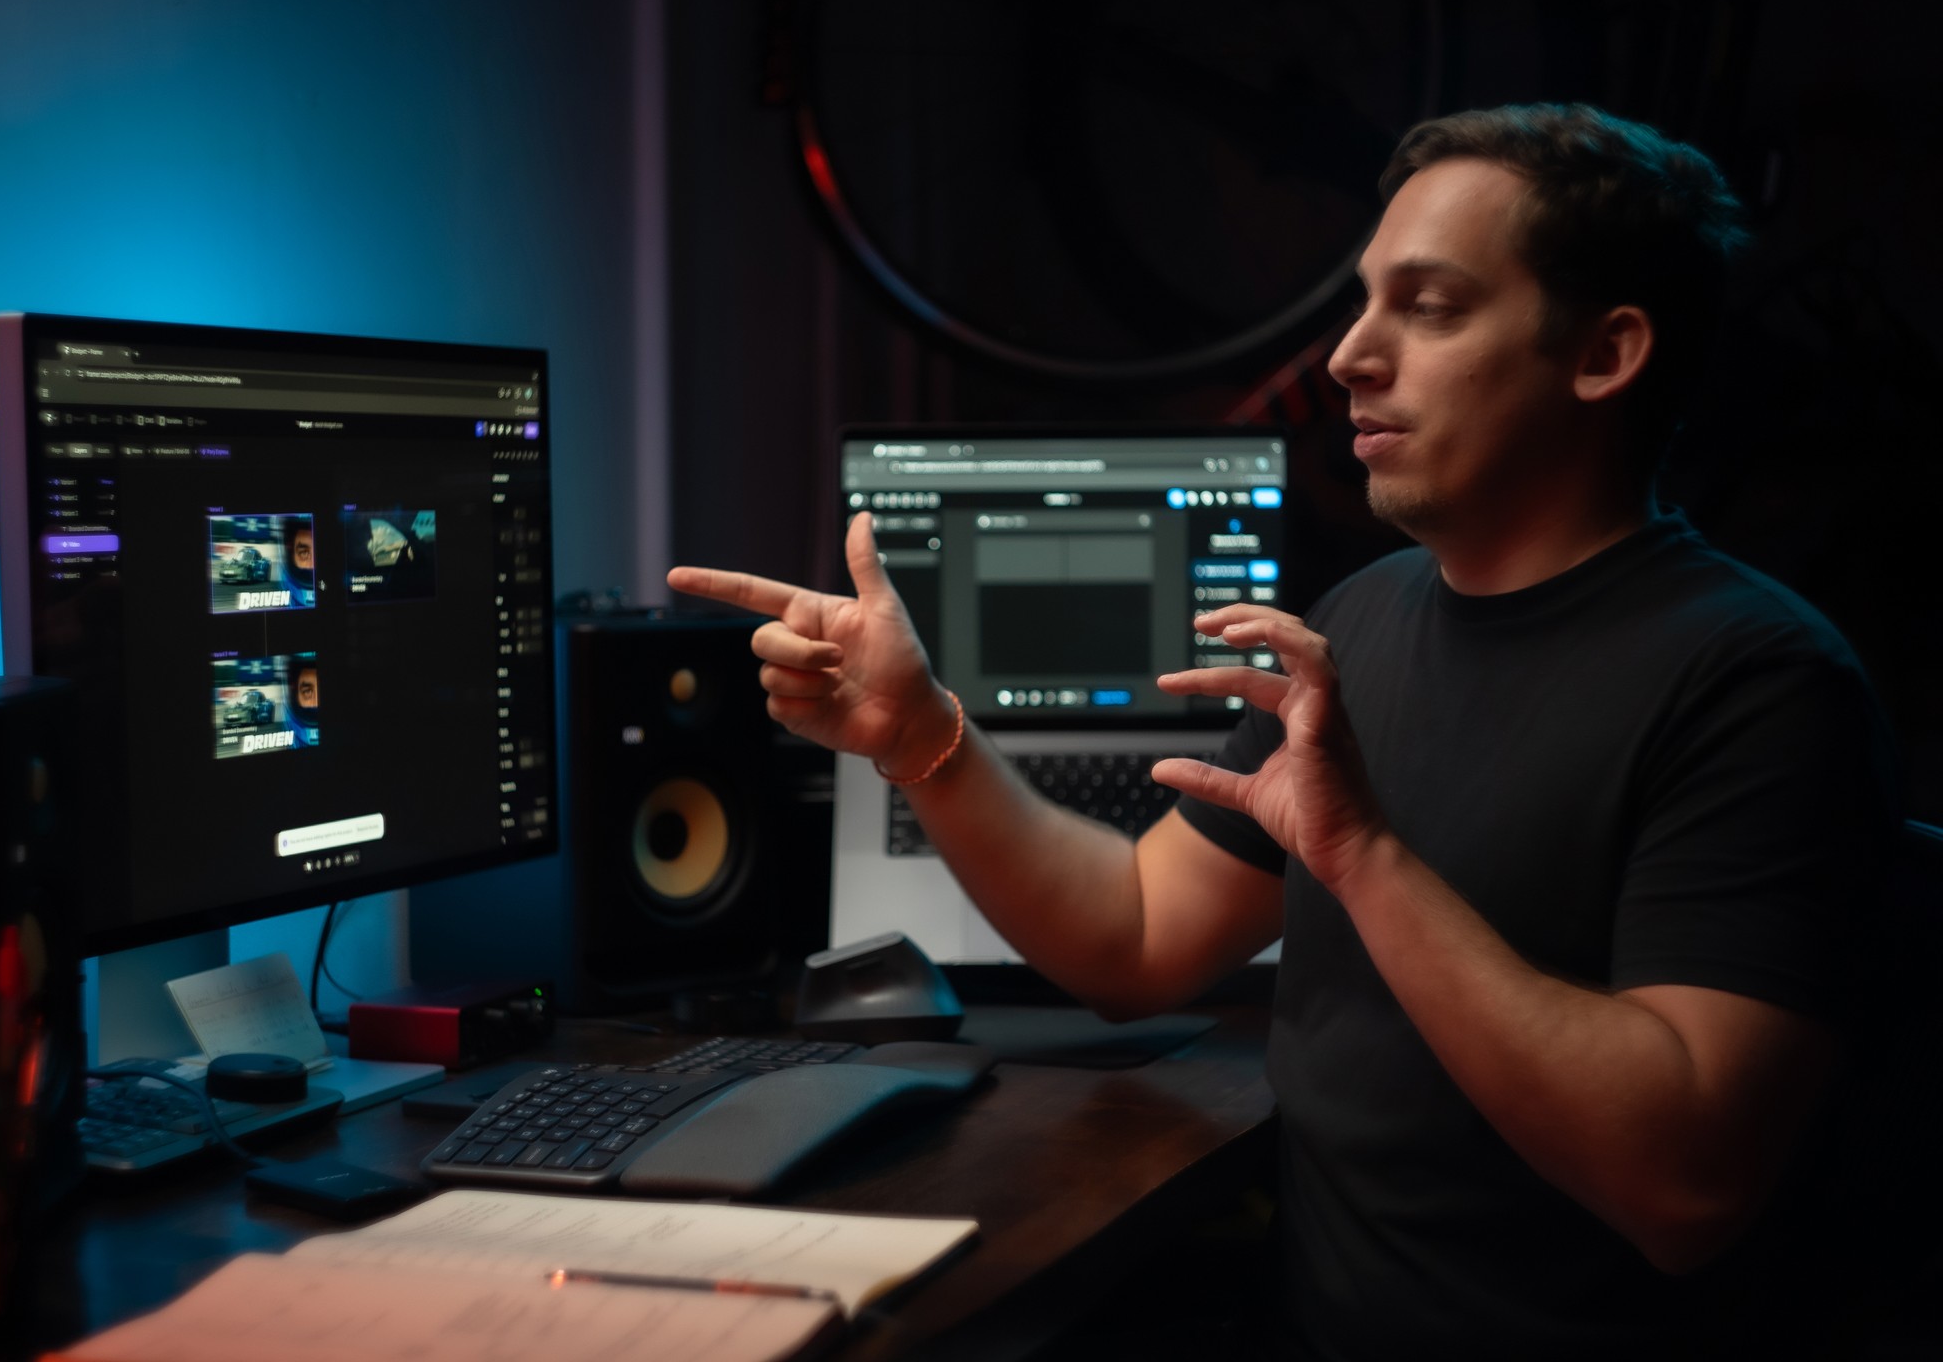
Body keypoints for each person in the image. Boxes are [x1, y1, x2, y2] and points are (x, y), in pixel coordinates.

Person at [670, 103, 1897, 1358]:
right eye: (1364, 303)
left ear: (1603, 354)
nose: (1349, 357)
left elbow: (1681, 1185)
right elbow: (1135, 940)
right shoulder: (1362, 624)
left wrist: (1361, 859)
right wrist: (920, 734)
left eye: (1427, 306)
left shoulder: (1756, 684)